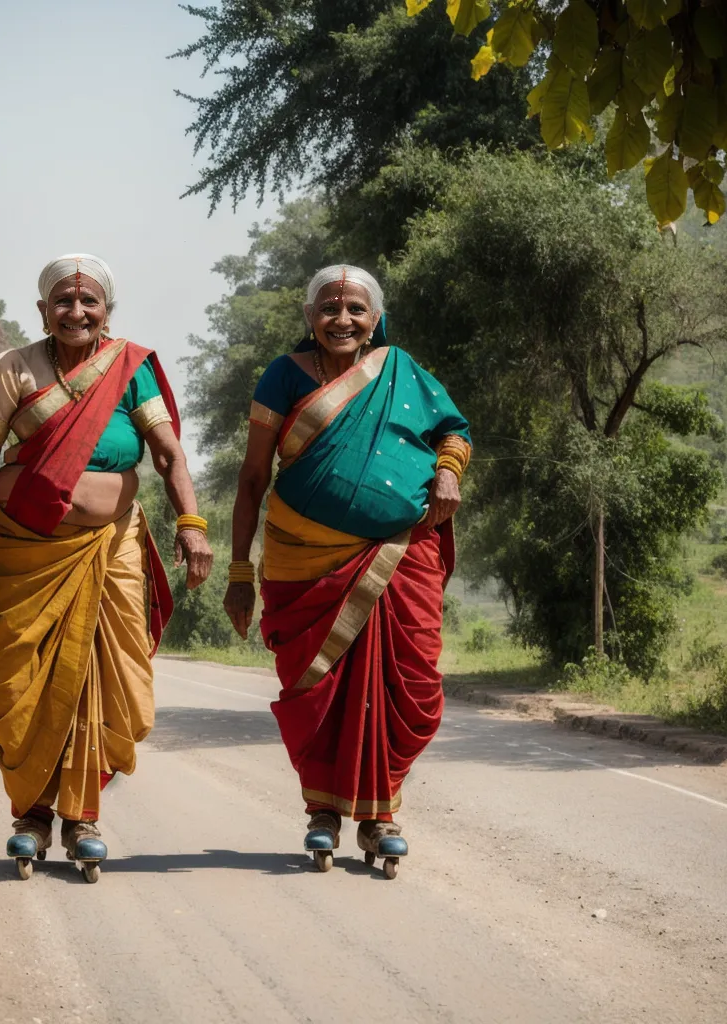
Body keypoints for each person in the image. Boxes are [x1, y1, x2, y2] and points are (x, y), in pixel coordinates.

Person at [0, 253, 213, 881]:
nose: (77, 312)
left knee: (103, 675)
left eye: (89, 302)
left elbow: (167, 451)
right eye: (63, 302)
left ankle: (84, 817)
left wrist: (191, 523)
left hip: (110, 543)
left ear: (107, 311)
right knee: (26, 679)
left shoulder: (131, 369)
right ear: (42, 310)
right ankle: (32, 817)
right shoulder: (16, 370)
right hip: (22, 551)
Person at [224, 265, 471, 878]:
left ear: (374, 318)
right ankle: (324, 812)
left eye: (356, 309)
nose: (343, 320)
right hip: (301, 559)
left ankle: (381, 813)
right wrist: (238, 571)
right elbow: (253, 477)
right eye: (329, 309)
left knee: (406, 684)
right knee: (318, 689)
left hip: (399, 553)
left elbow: (454, 430)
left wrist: (447, 472)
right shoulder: (283, 376)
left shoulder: (402, 371)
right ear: (309, 317)